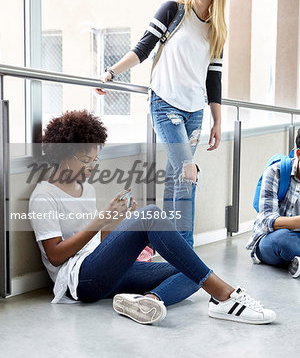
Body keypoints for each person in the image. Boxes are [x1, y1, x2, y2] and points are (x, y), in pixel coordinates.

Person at [29, 110, 276, 325]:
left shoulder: (87, 189)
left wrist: (118, 220)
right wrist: (104, 219)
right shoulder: (43, 195)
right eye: (85, 160)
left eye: (95, 160)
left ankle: (148, 303)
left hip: (102, 270)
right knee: (151, 215)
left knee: (191, 270)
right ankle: (223, 294)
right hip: (81, 280)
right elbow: (56, 255)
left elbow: (101, 244)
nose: (92, 167)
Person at [95, 0, 226, 247]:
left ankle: (169, 249)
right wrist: (111, 72)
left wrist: (217, 120)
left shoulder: (217, 29)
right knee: (187, 173)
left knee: (176, 182)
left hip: (194, 113)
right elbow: (142, 48)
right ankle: (185, 251)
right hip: (165, 104)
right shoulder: (174, 10)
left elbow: (213, 79)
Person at [246, 130, 300, 278]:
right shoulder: (275, 172)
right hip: (273, 239)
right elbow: (266, 220)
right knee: (284, 240)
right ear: (299, 154)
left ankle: (296, 262)